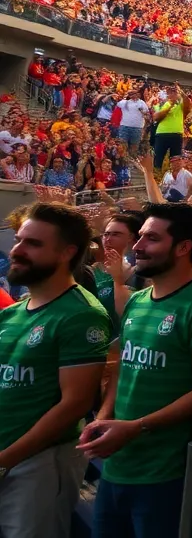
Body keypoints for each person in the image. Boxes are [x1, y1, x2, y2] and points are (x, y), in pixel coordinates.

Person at [85, 202, 192, 538]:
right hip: (117, 463)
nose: (137, 246)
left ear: (183, 248)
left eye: (151, 238)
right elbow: (122, 366)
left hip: (166, 472)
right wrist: (104, 415)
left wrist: (137, 427)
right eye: (140, 237)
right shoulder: (137, 299)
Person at [0, 203, 109, 538]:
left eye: (33, 244)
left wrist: (6, 458)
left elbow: (74, 405)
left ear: (67, 253)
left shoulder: (82, 315)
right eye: (19, 240)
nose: (17, 250)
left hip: (38, 465)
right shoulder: (12, 313)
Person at [151, 84, 191, 170]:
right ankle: (156, 178)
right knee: (158, 160)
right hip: (162, 134)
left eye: (174, 92)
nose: (172, 94)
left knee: (176, 161)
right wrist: (170, 105)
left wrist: (182, 93)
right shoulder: (160, 104)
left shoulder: (180, 105)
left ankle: (174, 179)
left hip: (177, 135)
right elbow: (156, 117)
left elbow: (188, 107)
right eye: (169, 92)